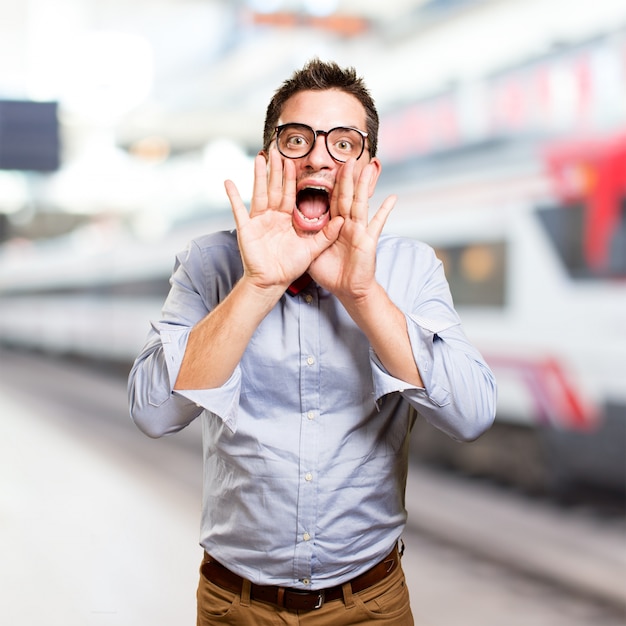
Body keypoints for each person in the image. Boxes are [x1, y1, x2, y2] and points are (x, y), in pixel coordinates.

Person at [128, 58, 496, 625]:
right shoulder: (210, 264)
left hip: (371, 604)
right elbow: (153, 413)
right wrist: (258, 283)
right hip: (235, 605)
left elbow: (472, 415)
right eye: (296, 139)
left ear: (367, 169)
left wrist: (364, 294)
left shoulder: (410, 268)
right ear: (269, 160)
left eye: (344, 143)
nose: (319, 156)